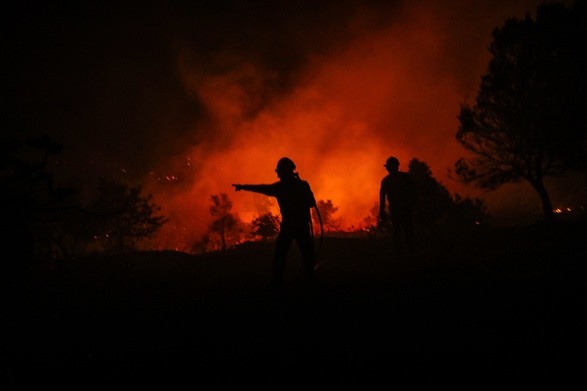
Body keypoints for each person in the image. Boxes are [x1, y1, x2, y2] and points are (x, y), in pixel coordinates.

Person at [233, 157, 317, 288]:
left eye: (279, 171)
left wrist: (243, 187)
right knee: (306, 255)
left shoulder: (281, 187)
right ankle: (311, 280)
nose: (277, 174)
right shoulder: (302, 185)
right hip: (301, 226)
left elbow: (262, 188)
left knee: (281, 255)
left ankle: (278, 282)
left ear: (284, 171)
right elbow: (311, 202)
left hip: (289, 226)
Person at [379, 156, 416, 255]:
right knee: (404, 229)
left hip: (399, 208)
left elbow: (382, 197)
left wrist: (382, 212)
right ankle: (407, 250)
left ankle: (402, 251)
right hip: (403, 208)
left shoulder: (387, 180)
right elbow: (413, 192)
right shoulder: (404, 177)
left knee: (400, 230)